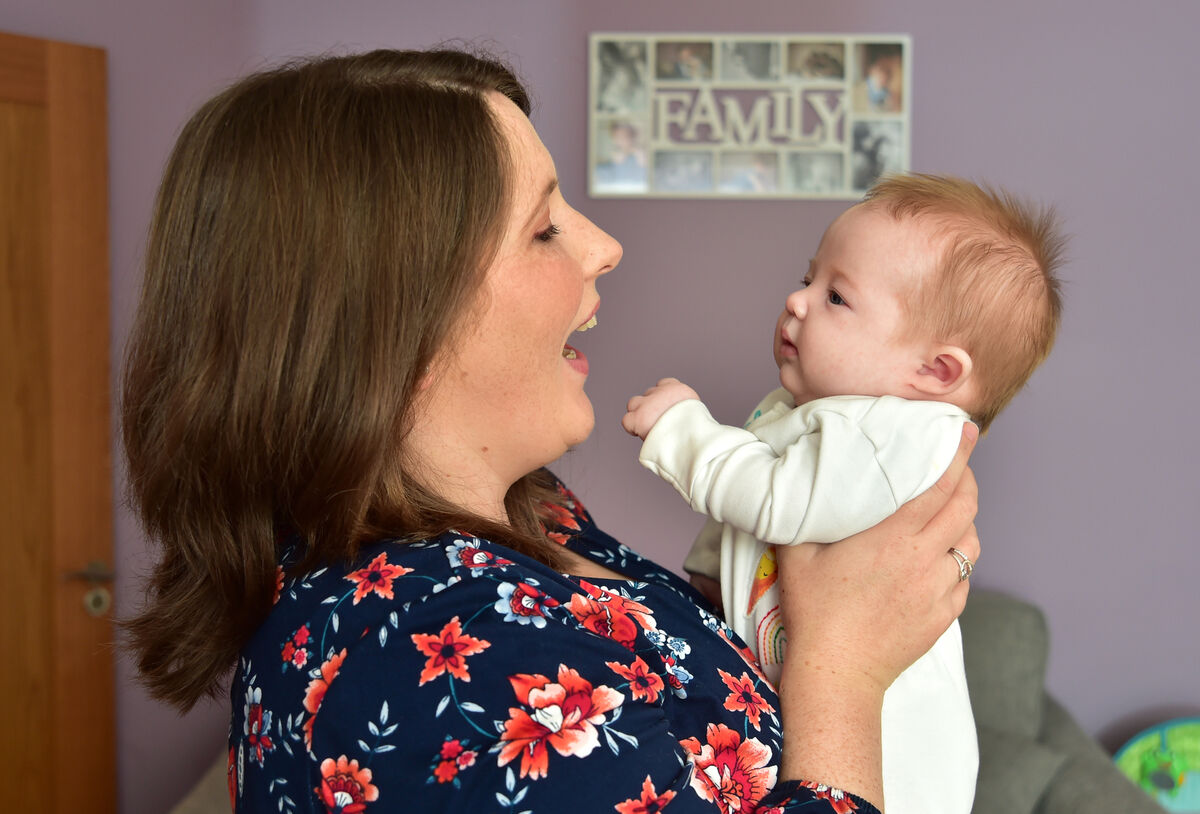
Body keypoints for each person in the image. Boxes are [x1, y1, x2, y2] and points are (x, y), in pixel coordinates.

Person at [121, 50, 981, 814]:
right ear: (396, 327)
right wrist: (845, 672)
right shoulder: (433, 668)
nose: (605, 246)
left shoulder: (531, 516)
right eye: (543, 228)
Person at [623, 173, 1064, 814]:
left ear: (935, 372)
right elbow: (753, 527)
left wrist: (683, 432)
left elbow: (778, 502)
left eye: (836, 296)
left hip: (889, 762)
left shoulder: (897, 435)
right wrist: (708, 579)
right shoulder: (816, 413)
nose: (796, 300)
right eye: (808, 278)